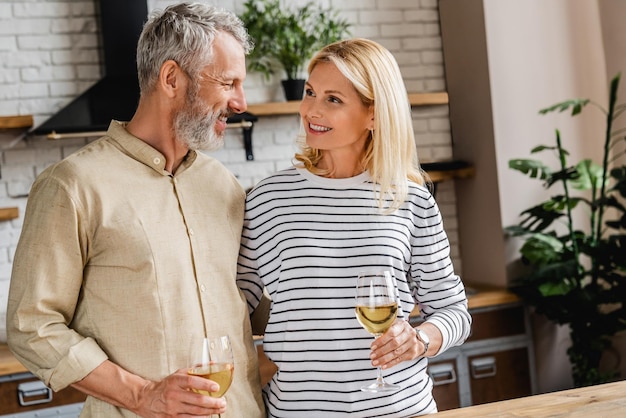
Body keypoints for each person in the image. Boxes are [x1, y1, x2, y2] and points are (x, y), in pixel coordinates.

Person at [6, 3, 265, 417]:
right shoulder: (73, 185)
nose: (240, 102)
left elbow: (254, 304)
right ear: (171, 78)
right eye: (228, 82)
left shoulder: (224, 186)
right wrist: (142, 394)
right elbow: (32, 326)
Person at [237, 38, 472, 417]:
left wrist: (420, 339)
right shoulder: (267, 199)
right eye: (310, 92)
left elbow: (453, 311)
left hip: (401, 409)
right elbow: (231, 303)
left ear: (374, 115)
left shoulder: (410, 199)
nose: (311, 110)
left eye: (333, 99)